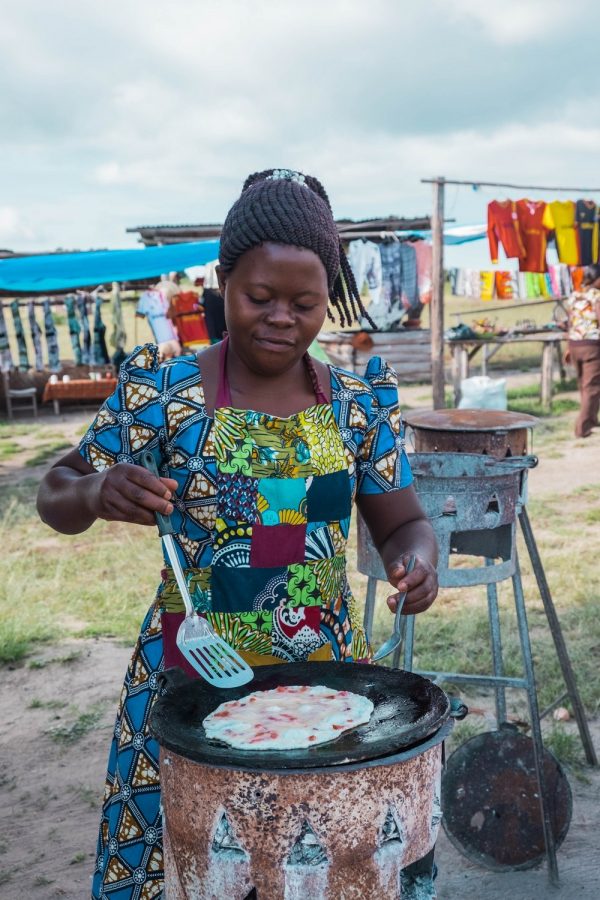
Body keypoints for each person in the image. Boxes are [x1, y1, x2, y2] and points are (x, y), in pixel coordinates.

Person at [37, 168, 439, 900]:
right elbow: (54, 493)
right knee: (191, 870)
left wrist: (415, 562)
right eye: (259, 298)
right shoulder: (164, 397)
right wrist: (98, 489)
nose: (282, 318)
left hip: (325, 691)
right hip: (187, 678)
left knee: (312, 871)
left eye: (306, 303)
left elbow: (404, 521)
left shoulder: (356, 406)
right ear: (223, 282)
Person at [564, 263, 600, 437]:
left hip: (575, 344)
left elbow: (569, 323)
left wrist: (567, 348)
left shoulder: (575, 295)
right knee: (592, 387)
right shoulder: (596, 296)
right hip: (592, 346)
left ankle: (591, 420)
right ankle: (583, 428)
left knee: (583, 386)